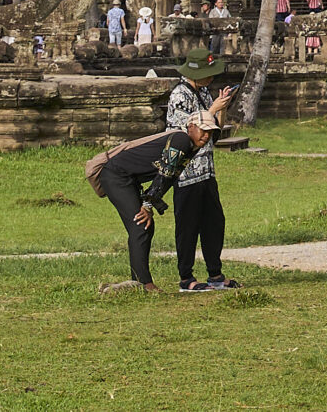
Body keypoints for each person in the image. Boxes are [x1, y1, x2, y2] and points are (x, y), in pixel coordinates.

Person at [88, 117, 211, 291]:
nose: (206, 136)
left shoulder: (191, 147)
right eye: (203, 130)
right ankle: (144, 283)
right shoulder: (182, 140)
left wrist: (150, 202)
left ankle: (139, 282)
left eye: (210, 132)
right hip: (116, 176)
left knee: (145, 226)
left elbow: (168, 177)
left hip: (128, 179)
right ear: (190, 127)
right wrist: (147, 205)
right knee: (141, 225)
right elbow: (165, 174)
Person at [165, 59, 238, 291]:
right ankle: (186, 278)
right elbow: (191, 129)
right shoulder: (179, 95)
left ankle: (215, 274)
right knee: (187, 225)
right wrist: (213, 109)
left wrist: (222, 108)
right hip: (186, 170)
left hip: (206, 169)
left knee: (214, 223)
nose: (211, 79)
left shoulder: (204, 92)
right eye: (208, 74)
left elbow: (214, 131)